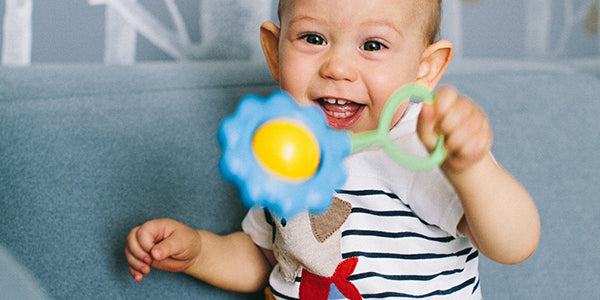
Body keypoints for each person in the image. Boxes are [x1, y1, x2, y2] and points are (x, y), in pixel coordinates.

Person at [125, 0, 540, 298]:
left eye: (373, 45)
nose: (338, 67)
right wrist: (198, 251)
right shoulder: (283, 148)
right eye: (313, 38)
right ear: (274, 51)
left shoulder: (425, 145)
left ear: (424, 69)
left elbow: (514, 243)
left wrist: (469, 170)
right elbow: (268, 257)